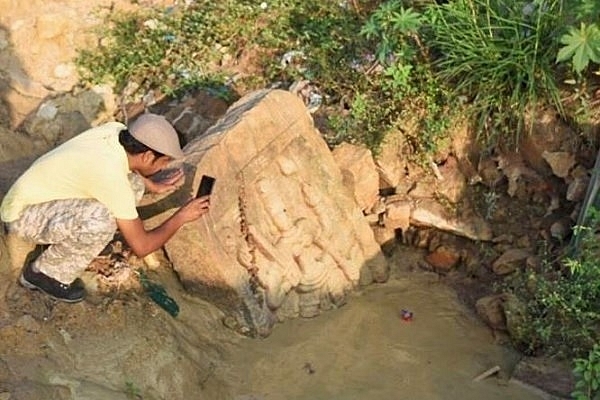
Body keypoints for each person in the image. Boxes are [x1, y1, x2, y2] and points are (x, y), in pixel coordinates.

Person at [0, 113, 210, 303]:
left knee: (134, 184)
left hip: (34, 199)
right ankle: (44, 274)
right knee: (102, 218)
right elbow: (142, 246)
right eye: (163, 162)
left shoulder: (114, 130)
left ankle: (66, 245)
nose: (164, 167)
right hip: (22, 217)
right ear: (147, 156)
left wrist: (152, 185)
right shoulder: (112, 180)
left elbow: (127, 172)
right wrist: (181, 216)